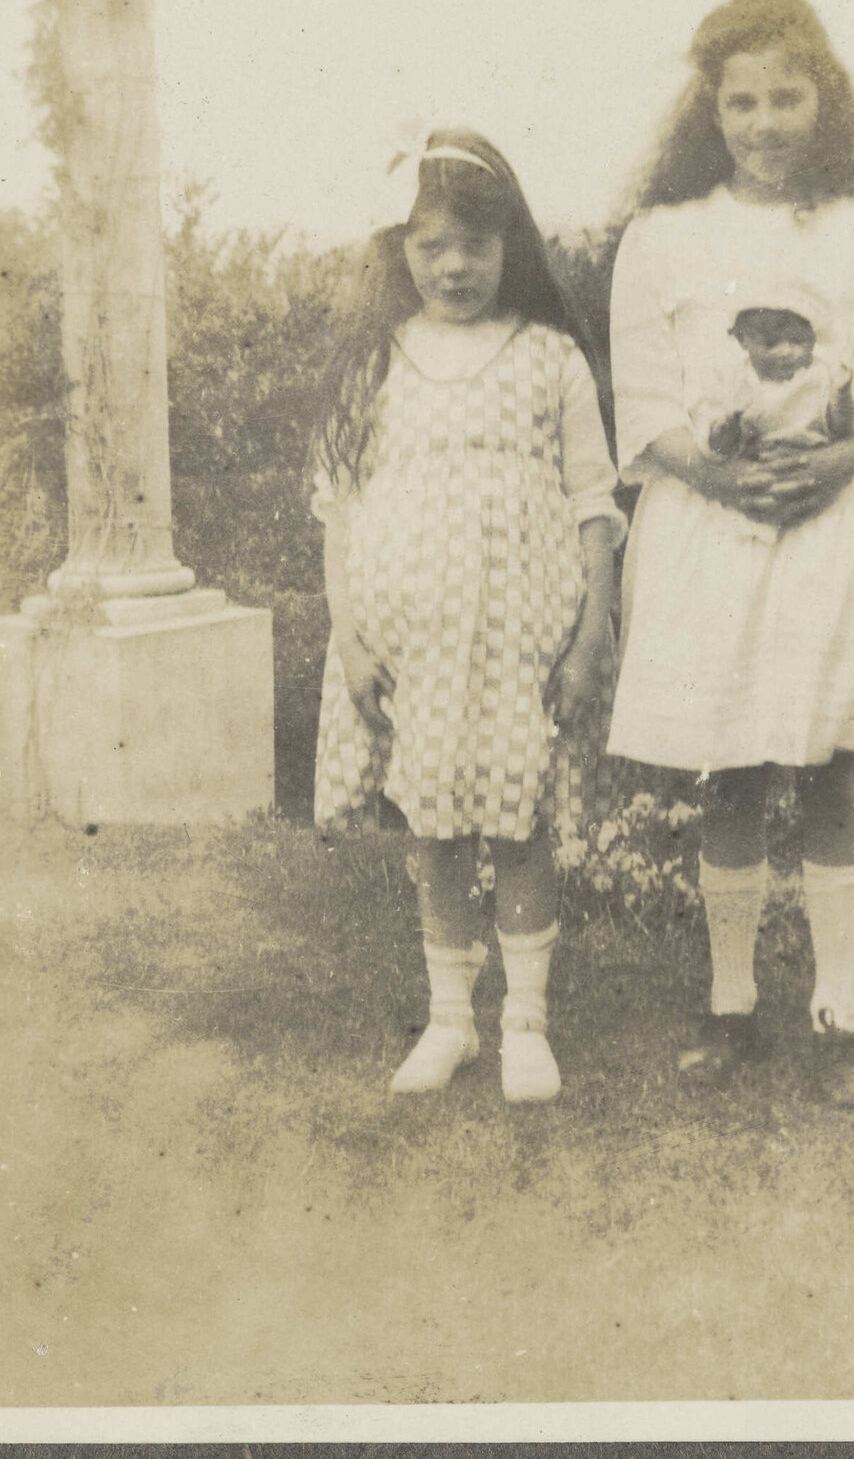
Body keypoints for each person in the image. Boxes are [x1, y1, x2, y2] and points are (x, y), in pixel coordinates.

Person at [607, 0, 854, 1102]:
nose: (763, 123)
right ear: (711, 110)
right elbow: (646, 397)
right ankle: (730, 1004)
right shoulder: (664, 234)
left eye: (786, 97)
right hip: (713, 525)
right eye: (740, 102)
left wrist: (839, 461)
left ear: (822, 99)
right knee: (731, 765)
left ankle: (837, 1012)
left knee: (836, 764)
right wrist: (723, 479)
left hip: (839, 518)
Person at [313, 127, 624, 1104]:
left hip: (522, 638)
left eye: (475, 244)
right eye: (430, 245)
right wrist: (348, 636)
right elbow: (338, 511)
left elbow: (594, 503)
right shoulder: (376, 363)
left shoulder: (549, 357)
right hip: (411, 644)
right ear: (398, 250)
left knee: (520, 822)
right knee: (437, 829)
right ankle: (450, 1020)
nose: (453, 266)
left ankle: (524, 1022)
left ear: (509, 245)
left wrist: (591, 634)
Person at [691, 293, 854, 541]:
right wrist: (726, 427)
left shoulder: (820, 376)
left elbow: (843, 428)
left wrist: (842, 397)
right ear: (743, 340)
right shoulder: (733, 381)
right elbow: (713, 444)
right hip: (749, 470)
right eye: (770, 344)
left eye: (798, 341)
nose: (786, 351)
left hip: (813, 466)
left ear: (813, 338)